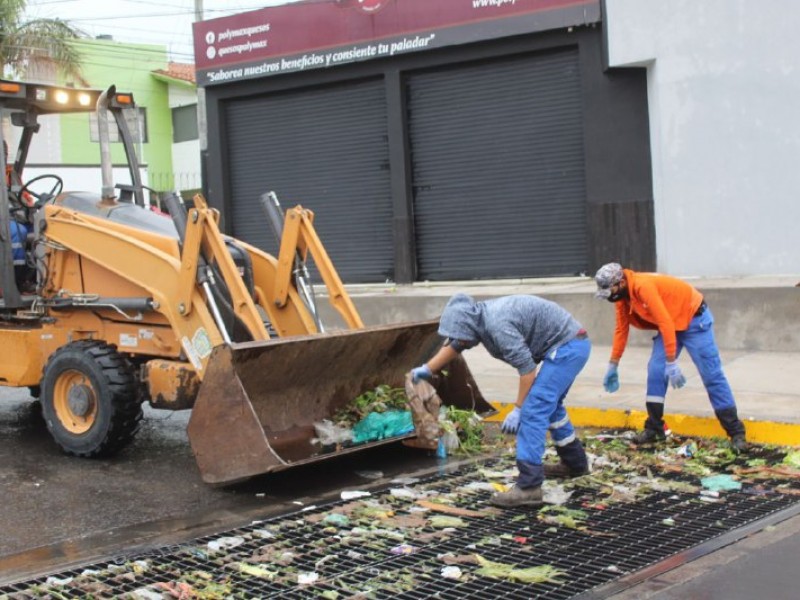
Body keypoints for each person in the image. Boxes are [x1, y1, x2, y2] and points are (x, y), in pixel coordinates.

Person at [411, 293, 591, 508]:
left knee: (533, 410)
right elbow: (456, 344)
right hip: (570, 343)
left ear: (469, 327)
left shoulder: (498, 326)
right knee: (550, 407)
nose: (462, 341)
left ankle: (529, 487)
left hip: (568, 348)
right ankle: (575, 463)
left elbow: (527, 370)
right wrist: (427, 369)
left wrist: (517, 409)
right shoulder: (477, 318)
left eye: (462, 335)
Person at [594, 262, 747, 451]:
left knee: (711, 375)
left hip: (694, 320)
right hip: (670, 322)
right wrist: (613, 364)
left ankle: (736, 433)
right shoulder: (623, 298)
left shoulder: (643, 286)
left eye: (609, 290)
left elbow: (665, 322)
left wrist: (672, 362)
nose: (608, 295)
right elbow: (621, 329)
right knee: (656, 370)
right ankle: (655, 428)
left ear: (620, 282)